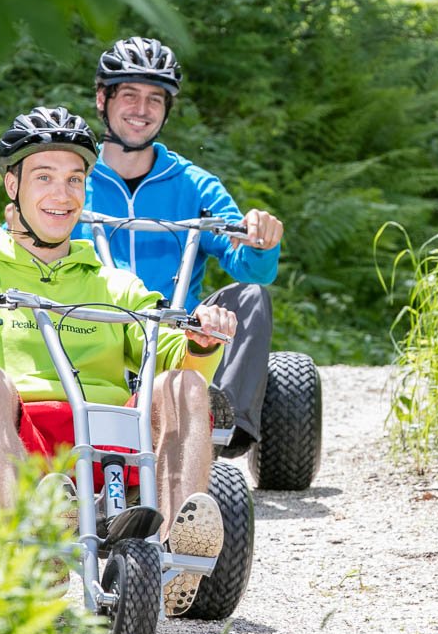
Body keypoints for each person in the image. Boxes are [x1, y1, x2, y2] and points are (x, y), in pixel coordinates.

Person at [0, 106, 236, 615]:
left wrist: (201, 341)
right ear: (12, 185)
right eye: (44, 177)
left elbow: (169, 356)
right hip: (7, 436)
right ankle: (33, 538)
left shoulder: (114, 285)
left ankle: (172, 557)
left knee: (183, 386)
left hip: (108, 448)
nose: (63, 194)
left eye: (75, 179)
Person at [79, 37, 284, 456]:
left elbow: (251, 269)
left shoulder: (194, 185)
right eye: (129, 95)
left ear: (167, 109)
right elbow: (22, 243)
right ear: (103, 99)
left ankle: (218, 418)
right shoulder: (71, 176)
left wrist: (261, 240)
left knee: (251, 296)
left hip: (179, 334)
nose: (142, 109)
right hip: (89, 328)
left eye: (155, 99)